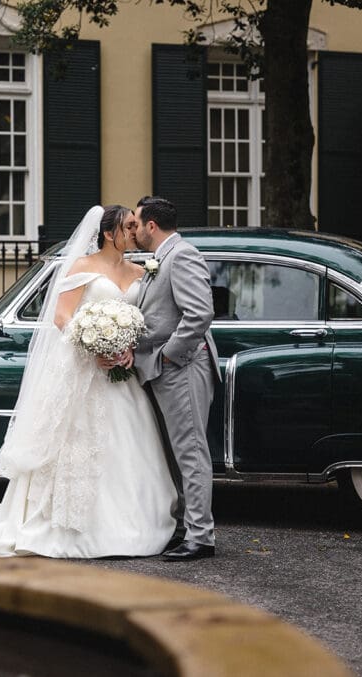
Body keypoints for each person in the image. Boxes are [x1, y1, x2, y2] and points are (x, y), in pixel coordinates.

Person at [0, 205, 177, 558]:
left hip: (123, 375)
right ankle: (71, 526)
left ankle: (136, 523)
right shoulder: (82, 267)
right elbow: (62, 317)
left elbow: (144, 320)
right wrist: (94, 346)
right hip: (87, 371)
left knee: (130, 445)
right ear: (110, 233)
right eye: (130, 226)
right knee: (77, 444)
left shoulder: (140, 271)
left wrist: (126, 351)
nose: (136, 232)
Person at [122, 196, 219, 562]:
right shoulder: (160, 258)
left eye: (137, 223)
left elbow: (199, 314)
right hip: (162, 369)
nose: (133, 230)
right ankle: (184, 528)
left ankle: (201, 536)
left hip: (183, 368)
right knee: (176, 454)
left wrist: (166, 355)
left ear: (152, 225)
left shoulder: (182, 255)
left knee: (191, 452)